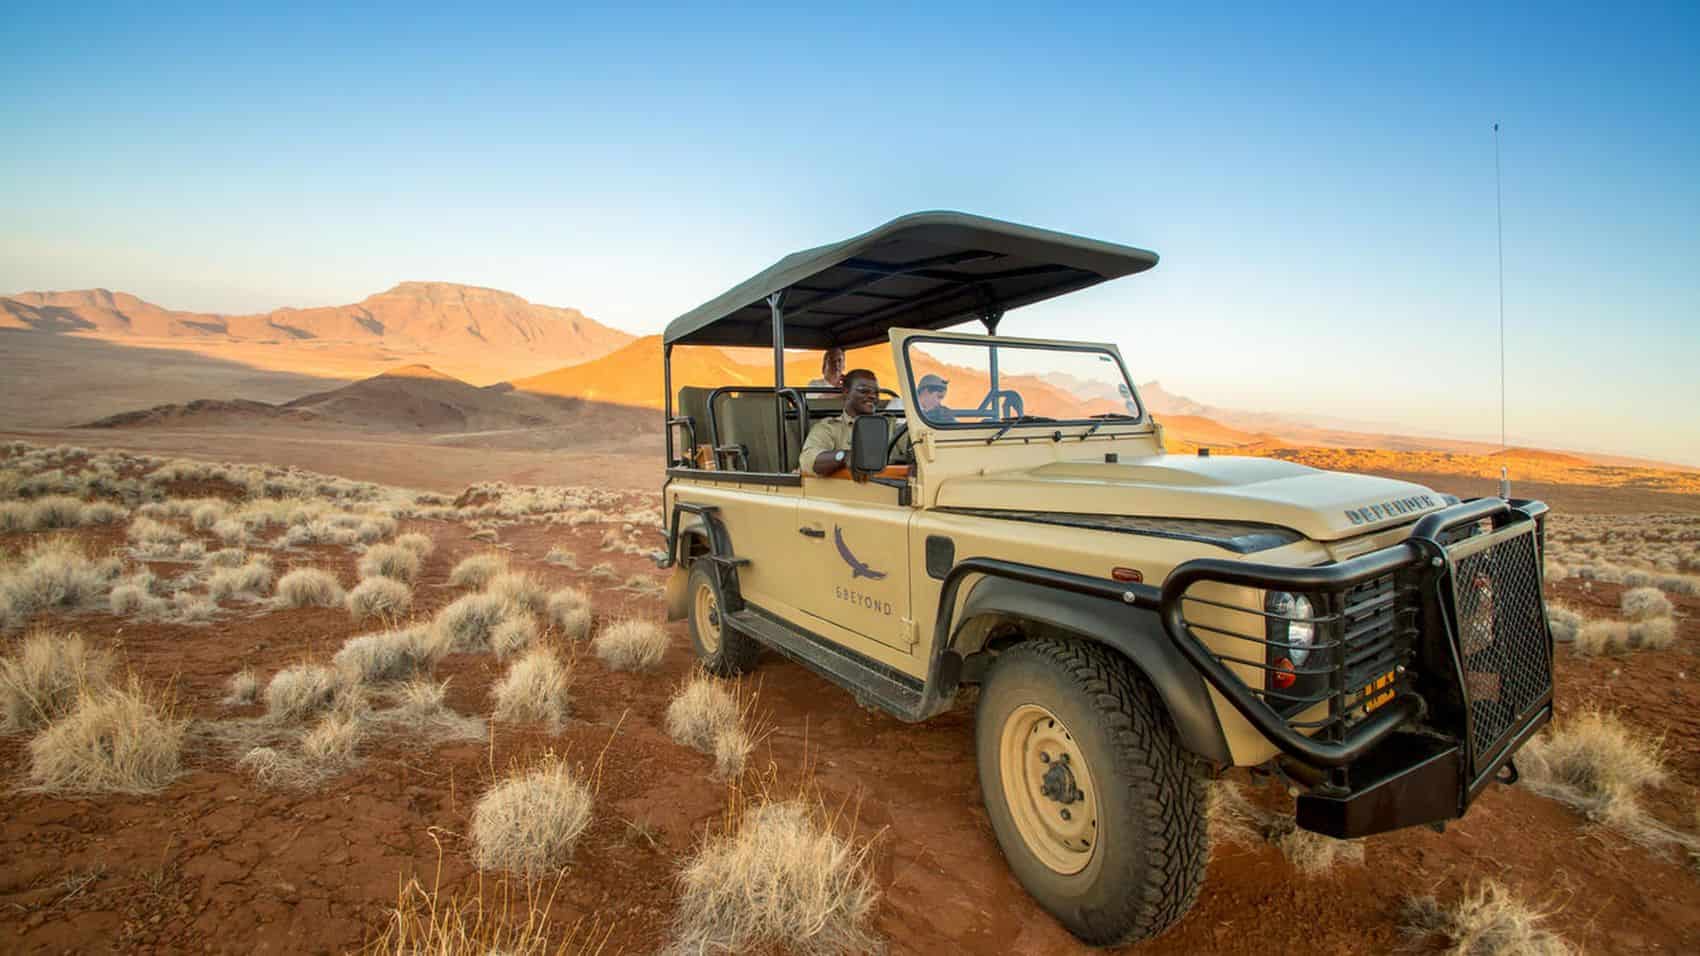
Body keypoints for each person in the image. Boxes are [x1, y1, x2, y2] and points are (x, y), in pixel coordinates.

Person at [800, 367, 880, 477]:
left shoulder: (890, 424)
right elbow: (808, 461)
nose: (872, 396)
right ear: (846, 392)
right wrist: (845, 456)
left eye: (876, 393)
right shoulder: (829, 428)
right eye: (863, 391)